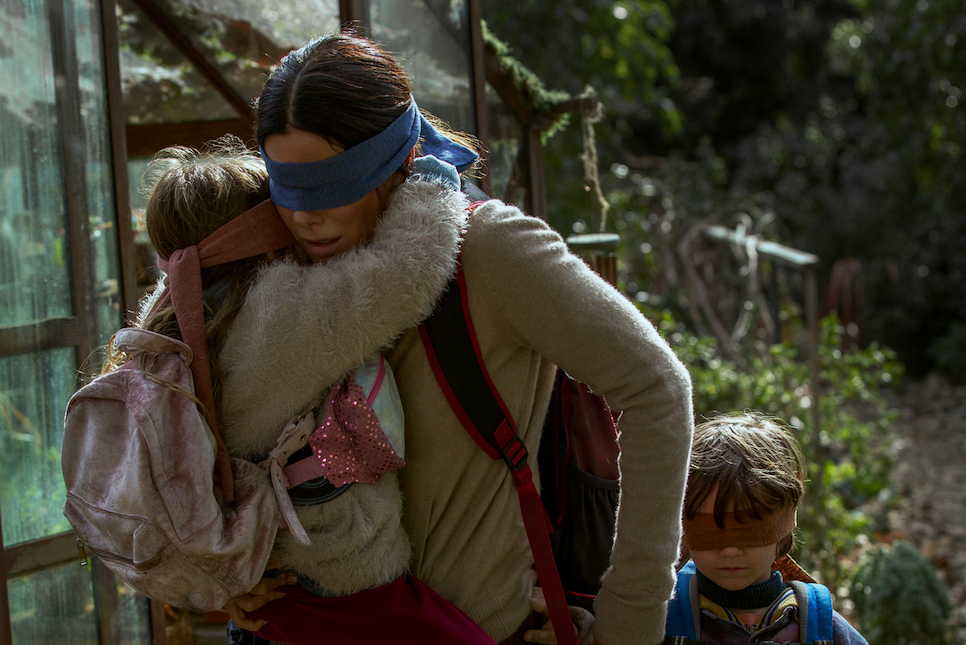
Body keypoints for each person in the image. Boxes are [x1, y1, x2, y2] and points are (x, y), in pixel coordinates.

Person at [232, 32, 694, 645]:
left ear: (395, 159)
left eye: (330, 185)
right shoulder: (273, 258)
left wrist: (629, 622)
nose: (304, 216)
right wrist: (227, 570)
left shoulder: (488, 251)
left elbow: (658, 388)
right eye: (285, 188)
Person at [136, 138, 499, 645]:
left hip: (264, 598)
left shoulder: (167, 322)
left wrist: (215, 585)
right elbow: (402, 274)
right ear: (259, 229)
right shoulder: (273, 315)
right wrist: (432, 182)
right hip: (339, 587)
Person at [664, 412, 868, 644]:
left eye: (749, 530)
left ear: (781, 531)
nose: (730, 550)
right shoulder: (662, 621)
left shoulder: (822, 627)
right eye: (710, 530)